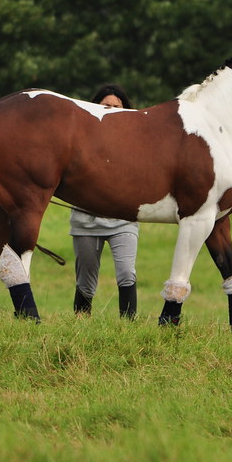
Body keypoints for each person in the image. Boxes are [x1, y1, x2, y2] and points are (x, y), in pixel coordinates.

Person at [71, 84, 140, 319]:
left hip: (123, 220)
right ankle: (80, 328)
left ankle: (128, 329)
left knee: (127, 273)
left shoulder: (135, 142)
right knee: (86, 281)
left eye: (117, 107)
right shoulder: (79, 137)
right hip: (85, 221)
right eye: (106, 106)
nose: (111, 110)